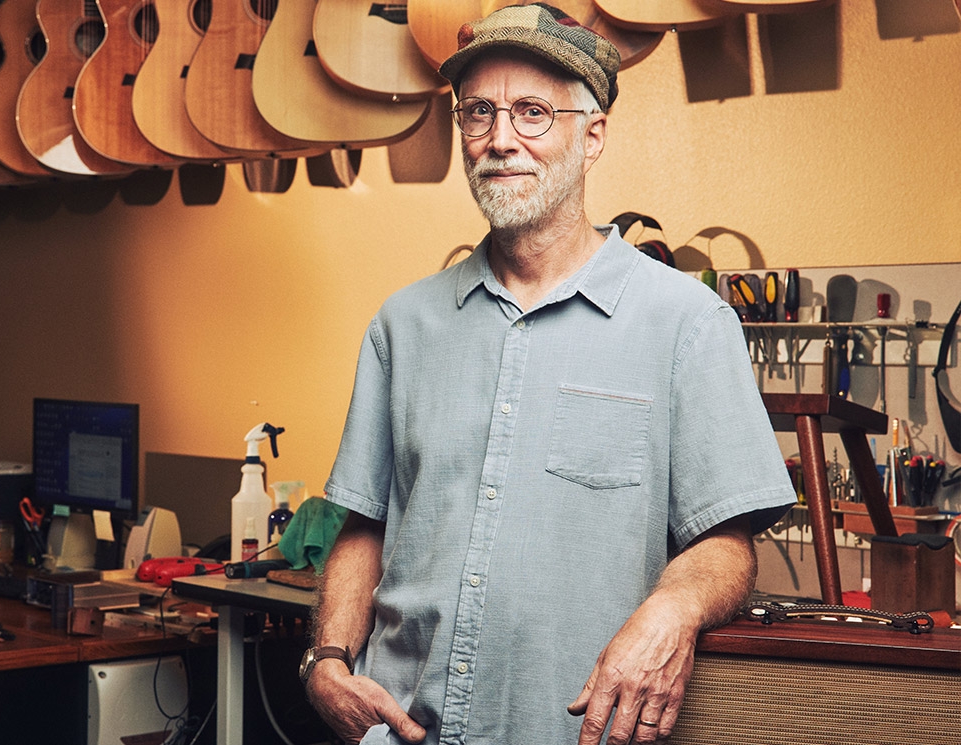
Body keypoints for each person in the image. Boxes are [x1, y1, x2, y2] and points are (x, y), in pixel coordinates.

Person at [302, 4, 795, 744]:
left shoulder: (687, 324)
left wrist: (670, 611)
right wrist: (327, 657)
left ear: (592, 136)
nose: (502, 139)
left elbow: (726, 544)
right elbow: (364, 524)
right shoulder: (402, 326)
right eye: (479, 114)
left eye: (533, 112)